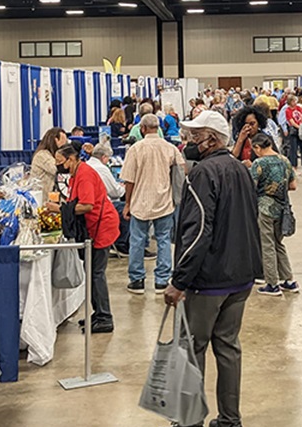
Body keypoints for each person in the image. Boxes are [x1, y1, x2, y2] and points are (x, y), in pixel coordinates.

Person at [158, 110, 262, 427]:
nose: (190, 143)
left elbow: (197, 230)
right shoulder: (240, 169)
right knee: (228, 348)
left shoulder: (203, 174)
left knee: (191, 350)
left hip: (209, 280)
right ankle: (231, 424)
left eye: (195, 137)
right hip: (240, 277)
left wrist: (179, 280)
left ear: (212, 140)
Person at [47, 143, 119, 333]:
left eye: (59, 161)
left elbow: (87, 205)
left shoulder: (84, 175)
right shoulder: (75, 175)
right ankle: (98, 313)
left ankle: (105, 318)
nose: (57, 165)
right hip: (93, 227)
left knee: (96, 273)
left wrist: (60, 209)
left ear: (71, 159)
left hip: (101, 226)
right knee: (92, 272)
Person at [121, 114, 186, 295]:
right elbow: (182, 171)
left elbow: (129, 180)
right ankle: (162, 281)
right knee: (163, 239)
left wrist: (127, 203)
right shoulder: (170, 148)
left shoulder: (135, 149)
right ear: (158, 128)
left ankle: (137, 280)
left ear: (142, 128)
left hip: (140, 202)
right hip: (164, 201)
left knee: (137, 241)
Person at [249, 133, 299, 296]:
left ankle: (272, 283)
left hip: (265, 208)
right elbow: (293, 185)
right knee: (278, 243)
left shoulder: (259, 163)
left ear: (257, 147)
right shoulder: (285, 160)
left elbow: (251, 187)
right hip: (282, 209)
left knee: (267, 245)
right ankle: (288, 280)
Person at [31, 127, 68, 200]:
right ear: (56, 140)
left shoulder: (50, 155)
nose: (65, 145)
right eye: (63, 141)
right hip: (44, 200)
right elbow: (58, 169)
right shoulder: (42, 156)